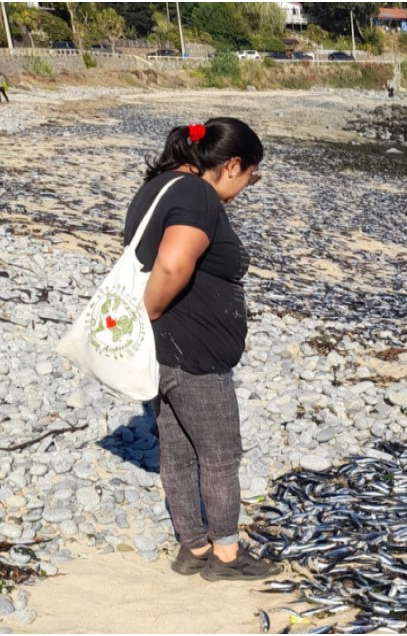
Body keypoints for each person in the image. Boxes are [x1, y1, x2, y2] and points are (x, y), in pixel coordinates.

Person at [124, 117, 278, 581]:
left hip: (162, 350)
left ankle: (192, 547)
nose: (248, 186)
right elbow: (171, 266)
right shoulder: (197, 196)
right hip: (193, 352)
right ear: (231, 164)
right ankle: (226, 556)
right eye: (251, 176)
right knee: (220, 453)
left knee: (177, 448)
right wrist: (148, 314)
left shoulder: (158, 187)